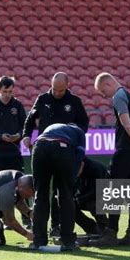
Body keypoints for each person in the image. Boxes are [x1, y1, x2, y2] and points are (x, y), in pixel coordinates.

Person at [90, 73, 130, 247]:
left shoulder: (118, 97)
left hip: (125, 150)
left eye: (102, 90)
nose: (103, 95)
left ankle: (110, 233)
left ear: (109, 83)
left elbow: (127, 124)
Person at [22, 72, 89, 237]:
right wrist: (26, 134)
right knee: (44, 192)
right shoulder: (43, 99)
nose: (57, 93)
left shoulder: (74, 101)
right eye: (54, 89)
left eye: (61, 90)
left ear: (67, 86)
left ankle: (55, 227)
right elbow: (30, 118)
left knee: (60, 191)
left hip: (64, 147)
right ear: (51, 85)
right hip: (44, 146)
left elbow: (84, 124)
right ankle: (45, 236)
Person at [0, 76, 31, 228]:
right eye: (5, 91)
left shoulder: (18, 105)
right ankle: (3, 218)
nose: (8, 94)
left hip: (14, 151)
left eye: (10, 91)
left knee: (22, 184)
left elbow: (25, 126)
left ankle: (26, 218)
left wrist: (19, 135)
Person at [30, 123, 86, 251]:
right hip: (62, 147)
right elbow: (80, 155)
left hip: (39, 146)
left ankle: (38, 241)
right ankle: (68, 241)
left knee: (40, 195)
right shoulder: (79, 132)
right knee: (66, 195)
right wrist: (71, 178)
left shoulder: (52, 127)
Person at [74, 157, 109, 235]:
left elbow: (97, 192)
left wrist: (79, 199)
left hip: (108, 196)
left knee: (93, 204)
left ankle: (106, 230)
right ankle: (91, 228)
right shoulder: (79, 169)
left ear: (82, 164)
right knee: (69, 206)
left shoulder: (96, 169)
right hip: (91, 196)